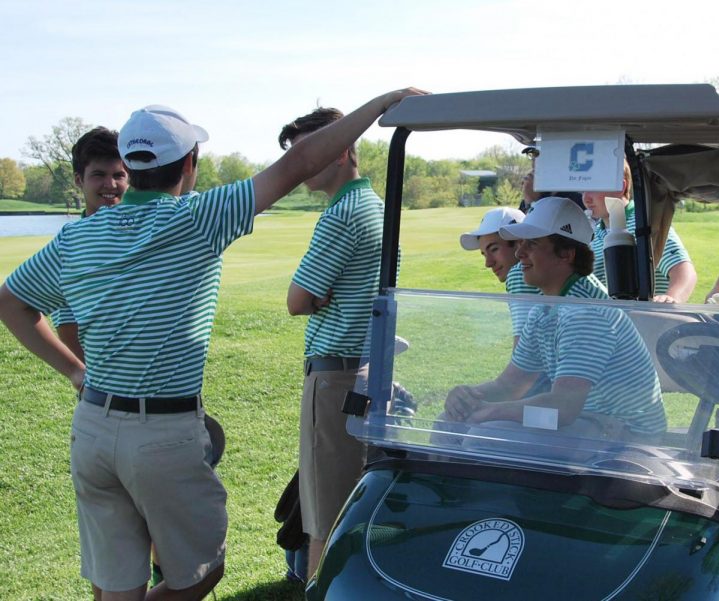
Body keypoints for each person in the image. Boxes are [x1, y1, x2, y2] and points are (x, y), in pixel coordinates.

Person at [0, 88, 425, 601]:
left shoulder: (77, 237)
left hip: (91, 429)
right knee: (199, 574)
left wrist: (73, 372)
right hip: (163, 433)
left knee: (116, 586)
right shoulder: (199, 218)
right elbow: (302, 161)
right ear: (191, 163)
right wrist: (380, 104)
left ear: (130, 169)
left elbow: (11, 302)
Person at [441, 196, 665, 448]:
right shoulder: (546, 309)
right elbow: (511, 384)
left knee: (485, 438)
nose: (520, 252)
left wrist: (491, 412)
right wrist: (467, 397)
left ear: (566, 253)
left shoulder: (586, 312)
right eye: (521, 243)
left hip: (626, 436)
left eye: (532, 244)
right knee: (448, 422)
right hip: (587, 422)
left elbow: (562, 408)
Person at [280, 106, 399, 577]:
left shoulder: (342, 214)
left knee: (325, 519)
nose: (304, 162)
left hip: (335, 375)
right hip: (369, 368)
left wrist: (314, 297)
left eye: (313, 149)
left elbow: (297, 299)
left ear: (344, 150)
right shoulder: (375, 205)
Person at [52, 127, 128, 358]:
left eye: (118, 175)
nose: (110, 184)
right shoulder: (70, 243)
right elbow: (66, 323)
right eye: (98, 175)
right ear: (79, 179)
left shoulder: (145, 230)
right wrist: (92, 373)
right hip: (102, 382)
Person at [583, 162, 697, 303]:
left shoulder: (643, 224)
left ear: (620, 187)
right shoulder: (596, 232)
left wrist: (671, 299)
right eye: (582, 189)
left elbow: (684, 272)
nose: (586, 198)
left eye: (594, 188)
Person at [459, 206, 526, 284]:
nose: (488, 263)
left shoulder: (519, 279)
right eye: (484, 255)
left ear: (520, 243)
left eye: (494, 249)